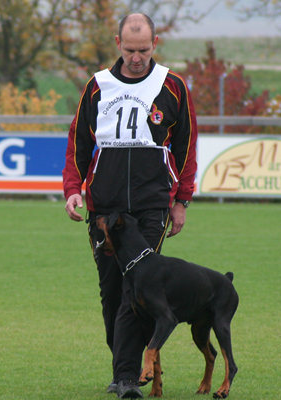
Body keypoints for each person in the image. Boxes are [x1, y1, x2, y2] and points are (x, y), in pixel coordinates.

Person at [62, 13, 197, 399]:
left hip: (151, 206)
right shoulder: (97, 86)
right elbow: (78, 145)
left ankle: (126, 379)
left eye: (143, 49)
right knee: (111, 291)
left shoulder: (172, 86)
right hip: (104, 208)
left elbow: (186, 146)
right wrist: (74, 188)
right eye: (130, 49)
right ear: (117, 43)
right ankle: (124, 365)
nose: (136, 57)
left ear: (155, 43)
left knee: (135, 290)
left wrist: (181, 200)